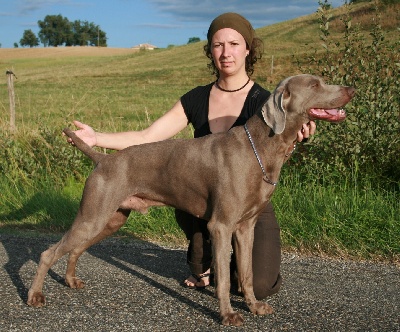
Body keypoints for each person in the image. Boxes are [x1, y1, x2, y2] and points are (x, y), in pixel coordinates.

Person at [67, 12, 315, 300]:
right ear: (210, 51)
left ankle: (230, 264)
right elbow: (148, 137)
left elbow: (274, 156)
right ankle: (205, 260)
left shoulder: (265, 102)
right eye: (218, 45)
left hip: (250, 202)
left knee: (259, 286)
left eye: (234, 44)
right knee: (197, 208)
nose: (226, 53)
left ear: (248, 49)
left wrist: (296, 139)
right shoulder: (196, 98)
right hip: (202, 196)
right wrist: (97, 139)